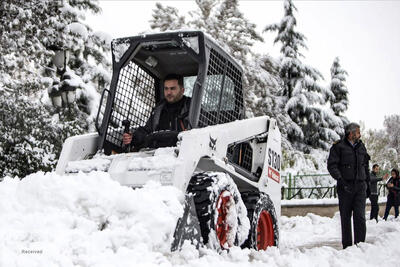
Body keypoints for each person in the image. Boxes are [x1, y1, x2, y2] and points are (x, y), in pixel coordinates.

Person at [327, 122, 370, 249]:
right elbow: (332, 165)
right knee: (345, 218)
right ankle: (347, 246)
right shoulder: (338, 147)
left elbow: (365, 166)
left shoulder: (361, 147)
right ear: (350, 133)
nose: (360, 134)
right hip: (345, 187)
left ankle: (360, 245)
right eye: (357, 132)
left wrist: (367, 184)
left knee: (360, 217)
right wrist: (340, 180)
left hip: (360, 187)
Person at [122, 74, 191, 150]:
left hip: (182, 153)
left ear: (182, 90)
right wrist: (133, 137)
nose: (169, 92)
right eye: (166, 89)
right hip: (157, 155)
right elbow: (147, 130)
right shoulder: (158, 110)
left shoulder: (191, 107)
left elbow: (201, 132)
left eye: (172, 89)